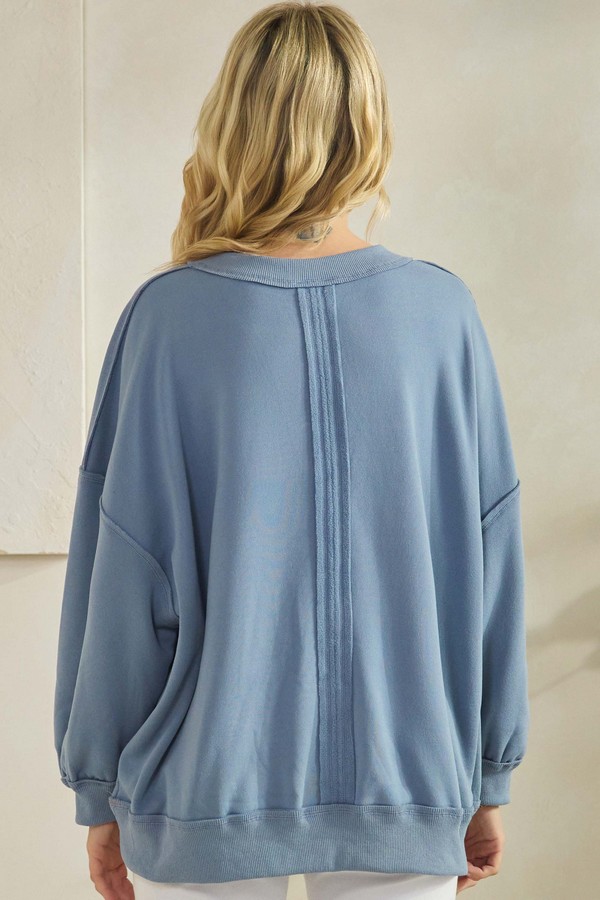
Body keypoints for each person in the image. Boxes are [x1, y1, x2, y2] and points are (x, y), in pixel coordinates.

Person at [53, 3, 530, 898]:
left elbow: (121, 574)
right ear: (366, 128)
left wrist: (98, 792)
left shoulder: (167, 317)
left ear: (232, 120)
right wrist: (484, 777)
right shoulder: (441, 314)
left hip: (203, 790)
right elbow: (487, 562)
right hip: (411, 783)